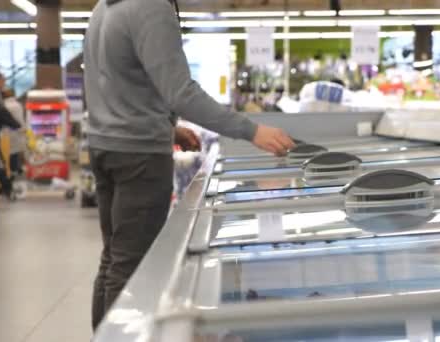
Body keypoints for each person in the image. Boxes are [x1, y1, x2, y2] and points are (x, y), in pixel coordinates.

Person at [84, 0, 295, 330]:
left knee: (114, 259)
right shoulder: (151, 6)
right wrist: (252, 130)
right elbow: (181, 92)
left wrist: (169, 127)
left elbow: (116, 84)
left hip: (105, 147)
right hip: (140, 156)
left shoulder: (104, 7)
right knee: (131, 269)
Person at [0, 73, 21, 199]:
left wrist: (14, 123)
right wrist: (14, 124)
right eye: (2, 81)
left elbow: (2, 111)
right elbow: (0, 112)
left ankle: (6, 188)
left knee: (0, 162)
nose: (4, 84)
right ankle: (7, 189)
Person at [2, 89, 26, 176]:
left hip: (5, 133)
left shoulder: (3, 105)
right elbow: (20, 120)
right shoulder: (17, 105)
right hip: (16, 131)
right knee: (15, 152)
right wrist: (23, 129)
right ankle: (15, 170)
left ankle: (12, 170)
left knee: (9, 152)